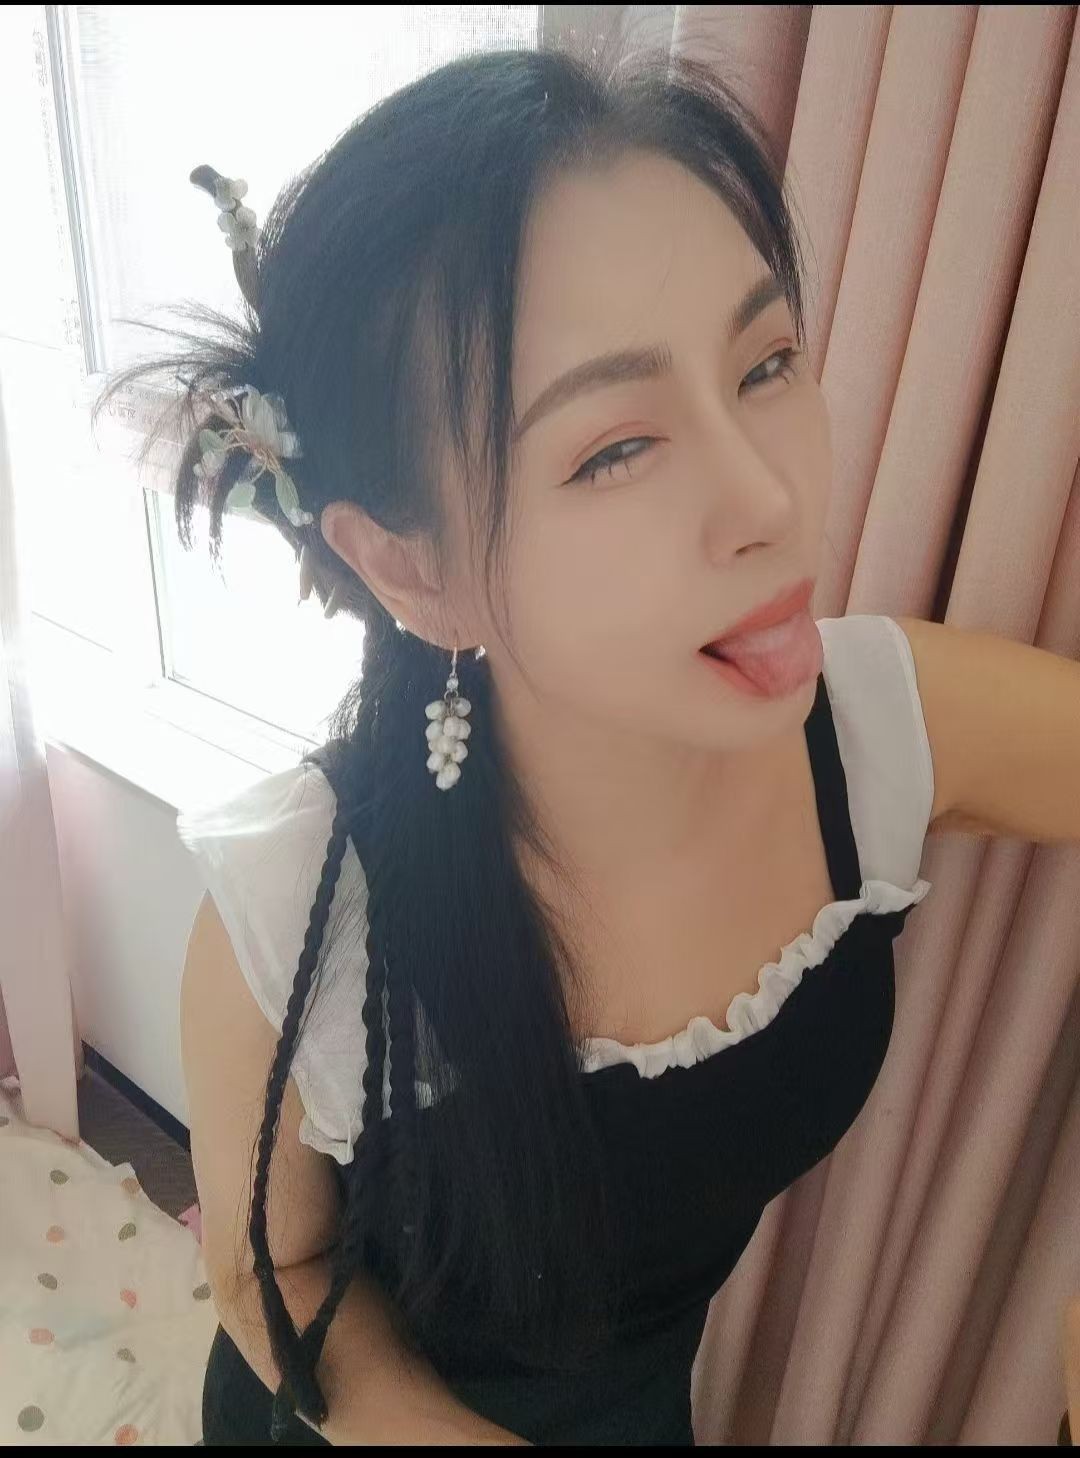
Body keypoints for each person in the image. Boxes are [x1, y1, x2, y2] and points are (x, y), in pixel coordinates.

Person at [95, 43, 936, 1447]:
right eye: (615, 448)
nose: (772, 498)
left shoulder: (875, 721)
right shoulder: (302, 914)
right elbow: (266, 1271)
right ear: (412, 569)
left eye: (768, 362)